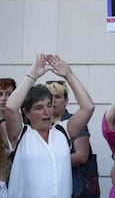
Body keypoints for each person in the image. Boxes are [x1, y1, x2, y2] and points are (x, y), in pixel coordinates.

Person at [5, 54, 95, 197]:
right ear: (27, 113)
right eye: (38, 108)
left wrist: (69, 75)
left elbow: (88, 107)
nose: (47, 112)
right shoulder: (21, 134)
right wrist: (32, 75)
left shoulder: (63, 131)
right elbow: (10, 107)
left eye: (49, 105)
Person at [46, 79, 100, 198]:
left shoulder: (75, 121)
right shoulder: (39, 124)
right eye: (50, 97)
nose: (53, 100)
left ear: (66, 100)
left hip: (75, 187)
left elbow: (81, 156)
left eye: (58, 97)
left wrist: (46, 161)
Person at [0, 78, 16, 198]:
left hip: (17, 181)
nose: (4, 99)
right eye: (0, 94)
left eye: (9, 94)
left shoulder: (24, 121)